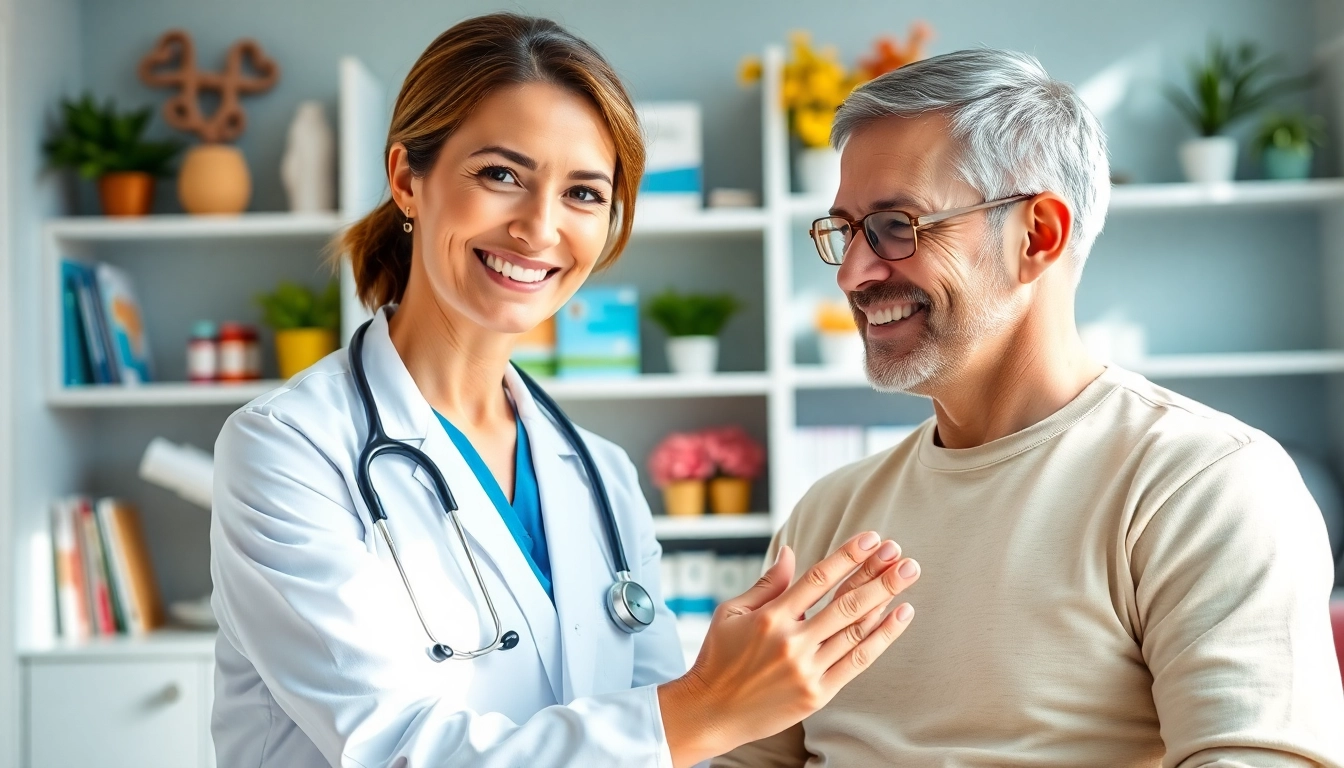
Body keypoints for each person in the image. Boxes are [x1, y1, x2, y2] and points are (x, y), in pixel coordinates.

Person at [209, 13, 921, 768]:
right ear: (407, 180)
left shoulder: (600, 476)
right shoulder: (289, 450)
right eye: (501, 175)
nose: (540, 228)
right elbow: (399, 751)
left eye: (582, 193)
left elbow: (661, 745)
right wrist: (712, 702)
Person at [716, 48, 1344, 767]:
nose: (854, 274)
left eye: (895, 225)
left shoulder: (1203, 484)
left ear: (1037, 236)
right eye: (846, 232)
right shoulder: (828, 514)